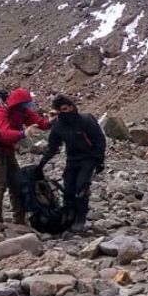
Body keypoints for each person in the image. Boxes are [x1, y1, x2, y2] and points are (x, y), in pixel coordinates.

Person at [39, 94, 106, 231]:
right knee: (68, 188)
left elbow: (100, 140)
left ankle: (81, 216)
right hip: (72, 159)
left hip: (89, 157)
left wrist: (99, 160)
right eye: (59, 111)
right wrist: (41, 164)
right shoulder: (58, 126)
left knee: (81, 186)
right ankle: (70, 215)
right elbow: (52, 147)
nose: (63, 113)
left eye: (65, 109)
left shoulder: (86, 120)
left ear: (71, 107)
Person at [0, 88, 50, 226]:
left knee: (16, 182)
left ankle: (19, 219)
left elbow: (41, 123)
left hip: (8, 148)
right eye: (25, 104)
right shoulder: (0, 111)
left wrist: (52, 120)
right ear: (17, 104)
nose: (27, 108)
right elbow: (5, 133)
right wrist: (24, 133)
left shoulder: (23, 112)